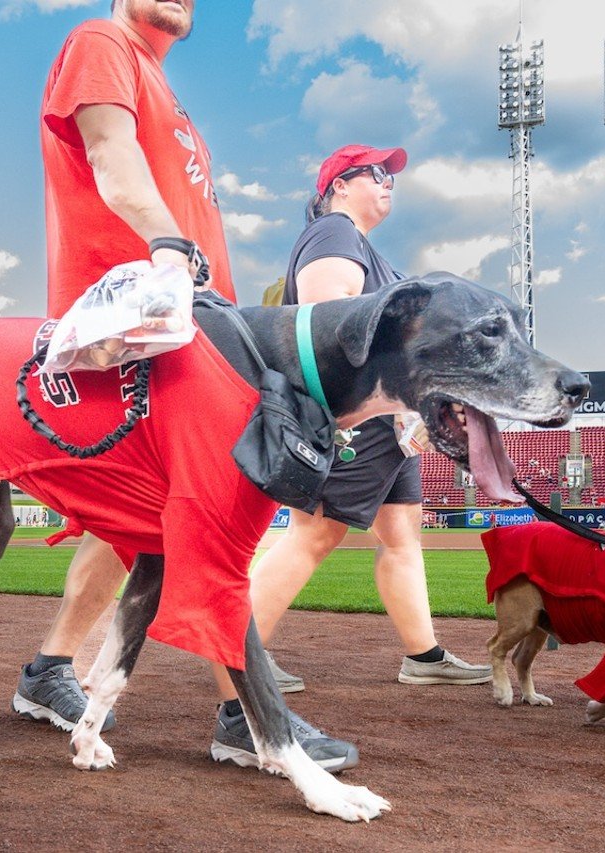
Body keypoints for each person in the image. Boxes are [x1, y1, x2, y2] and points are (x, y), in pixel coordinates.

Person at [11, 0, 357, 769]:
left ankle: (47, 671)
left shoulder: (169, 90)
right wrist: (167, 239)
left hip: (190, 318)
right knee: (208, 510)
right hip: (142, 316)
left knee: (131, 516)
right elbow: (109, 152)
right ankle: (245, 713)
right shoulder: (104, 41)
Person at [206, 144, 492, 755]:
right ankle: (235, 664)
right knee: (313, 536)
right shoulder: (334, 233)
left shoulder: (368, 249)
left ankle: (425, 654)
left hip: (391, 422)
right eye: (376, 173)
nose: (389, 183)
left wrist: (416, 408)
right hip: (357, 418)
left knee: (401, 536)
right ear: (338, 186)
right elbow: (325, 329)